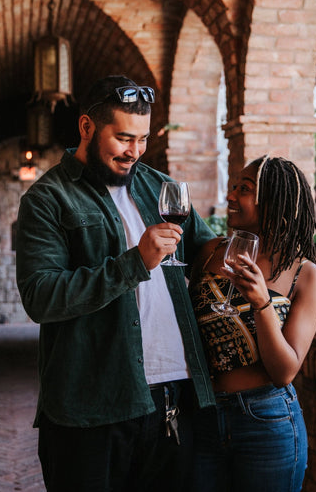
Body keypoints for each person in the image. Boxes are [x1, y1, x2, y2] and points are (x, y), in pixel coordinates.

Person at [15, 75, 217, 492]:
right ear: (87, 128)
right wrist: (135, 263)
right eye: (124, 138)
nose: (135, 152)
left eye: (142, 140)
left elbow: (207, 251)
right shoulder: (47, 199)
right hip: (90, 406)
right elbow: (42, 296)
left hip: (173, 394)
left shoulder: (160, 186)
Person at [188, 155, 316, 492]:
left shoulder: (304, 275)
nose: (231, 195)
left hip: (267, 420)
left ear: (273, 202)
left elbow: (284, 372)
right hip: (203, 416)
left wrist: (262, 302)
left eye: (244, 189)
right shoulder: (208, 252)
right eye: (233, 186)